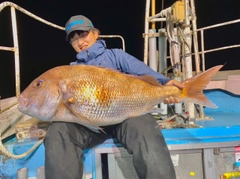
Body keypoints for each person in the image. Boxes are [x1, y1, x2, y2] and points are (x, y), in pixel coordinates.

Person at [44, 15, 184, 179]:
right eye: (74, 40)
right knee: (58, 131)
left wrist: (166, 83)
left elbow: (143, 72)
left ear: (96, 33)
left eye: (83, 35)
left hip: (124, 117)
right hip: (90, 125)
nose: (80, 42)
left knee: (145, 127)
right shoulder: (72, 71)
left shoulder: (116, 56)